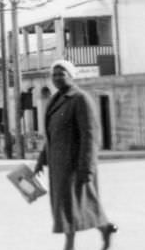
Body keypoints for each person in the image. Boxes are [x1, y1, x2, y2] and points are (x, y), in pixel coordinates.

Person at [33, 59, 118, 250]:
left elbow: (90, 137)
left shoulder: (80, 99)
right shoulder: (56, 100)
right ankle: (105, 228)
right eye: (54, 74)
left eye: (61, 74)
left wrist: (86, 169)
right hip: (58, 167)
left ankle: (69, 245)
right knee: (75, 206)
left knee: (72, 206)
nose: (56, 78)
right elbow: (52, 135)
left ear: (71, 76)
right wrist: (41, 161)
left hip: (74, 165)